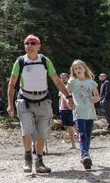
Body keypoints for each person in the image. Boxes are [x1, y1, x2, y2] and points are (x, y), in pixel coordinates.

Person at [7, 34, 74, 173]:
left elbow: (56, 80)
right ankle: (27, 159)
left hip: (43, 101)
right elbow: (12, 84)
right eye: (27, 43)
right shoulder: (20, 61)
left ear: (38, 46)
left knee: (42, 134)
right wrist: (10, 104)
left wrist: (68, 96)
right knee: (26, 132)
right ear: (25, 46)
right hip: (24, 101)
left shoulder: (44, 60)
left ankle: (39, 162)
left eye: (33, 43)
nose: (30, 46)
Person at [68, 60, 100, 170]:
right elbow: (65, 93)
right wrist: (69, 101)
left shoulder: (91, 82)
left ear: (84, 68)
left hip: (90, 112)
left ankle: (85, 155)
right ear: (73, 71)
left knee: (88, 135)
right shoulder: (72, 81)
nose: (77, 70)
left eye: (79, 68)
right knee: (82, 134)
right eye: (75, 69)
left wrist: (95, 98)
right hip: (78, 112)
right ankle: (85, 155)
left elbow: (97, 96)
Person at [58, 73, 77, 149]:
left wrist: (73, 107)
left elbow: (73, 98)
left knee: (74, 125)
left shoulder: (71, 87)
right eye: (62, 77)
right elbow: (61, 98)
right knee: (68, 126)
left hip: (70, 109)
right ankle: (73, 144)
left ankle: (81, 141)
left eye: (65, 77)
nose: (63, 78)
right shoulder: (60, 87)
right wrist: (59, 107)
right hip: (63, 109)